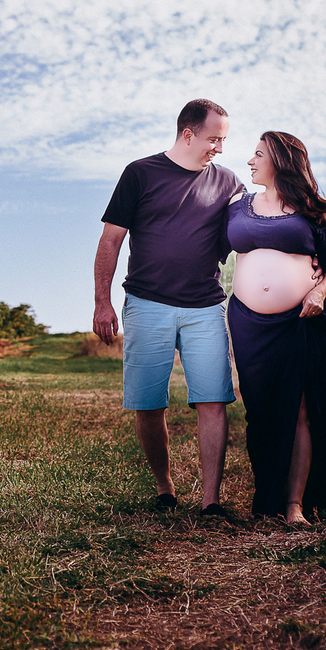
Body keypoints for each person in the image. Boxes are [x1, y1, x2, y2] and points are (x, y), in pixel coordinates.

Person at [94, 99, 244, 515]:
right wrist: (102, 302)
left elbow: (253, 228)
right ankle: (165, 488)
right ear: (188, 133)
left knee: (214, 398)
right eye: (214, 139)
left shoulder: (229, 183)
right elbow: (111, 241)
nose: (219, 148)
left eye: (224, 140)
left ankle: (211, 501)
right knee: (147, 403)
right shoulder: (140, 173)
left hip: (205, 307)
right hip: (146, 304)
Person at [225, 131, 326, 525]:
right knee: (259, 411)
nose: (249, 161)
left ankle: (293, 504)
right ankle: (267, 498)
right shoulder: (237, 206)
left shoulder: (312, 210)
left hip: (298, 322)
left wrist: (319, 293)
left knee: (298, 409)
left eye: (257, 154)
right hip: (247, 323)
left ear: (279, 160)